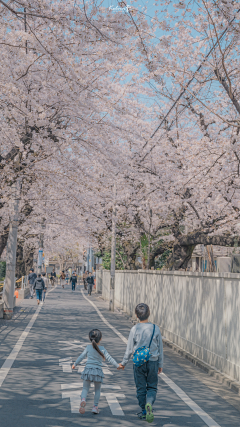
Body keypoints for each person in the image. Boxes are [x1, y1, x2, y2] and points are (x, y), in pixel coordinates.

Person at [119, 303, 163, 423]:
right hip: (153, 361)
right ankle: (149, 403)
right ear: (149, 313)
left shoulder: (135, 329)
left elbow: (129, 349)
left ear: (136, 315)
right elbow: (160, 349)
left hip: (138, 363)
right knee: (152, 386)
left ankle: (144, 411)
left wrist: (123, 363)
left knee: (141, 388)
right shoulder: (156, 328)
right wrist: (160, 364)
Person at [72, 329, 123, 415]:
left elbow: (81, 356)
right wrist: (118, 366)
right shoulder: (102, 349)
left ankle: (83, 400)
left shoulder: (88, 347)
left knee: (85, 388)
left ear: (90, 338)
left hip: (88, 370)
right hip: (97, 372)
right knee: (97, 390)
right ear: (100, 338)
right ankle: (95, 407)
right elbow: (110, 358)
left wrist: (75, 364)